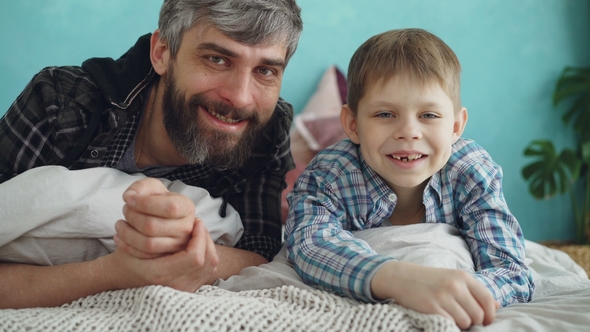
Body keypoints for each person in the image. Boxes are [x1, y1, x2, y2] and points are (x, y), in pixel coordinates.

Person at [0, 0, 302, 309]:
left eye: (265, 70)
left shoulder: (266, 129)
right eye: (217, 59)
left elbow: (260, 252)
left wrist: (182, 249)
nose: (240, 97)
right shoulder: (61, 103)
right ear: (162, 53)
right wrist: (113, 272)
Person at [284, 28, 534, 329]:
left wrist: (460, 294)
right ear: (352, 124)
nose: (409, 132)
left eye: (429, 115)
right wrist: (397, 279)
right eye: (385, 114)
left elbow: (511, 271)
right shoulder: (330, 174)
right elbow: (309, 243)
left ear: (455, 127)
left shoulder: (471, 172)